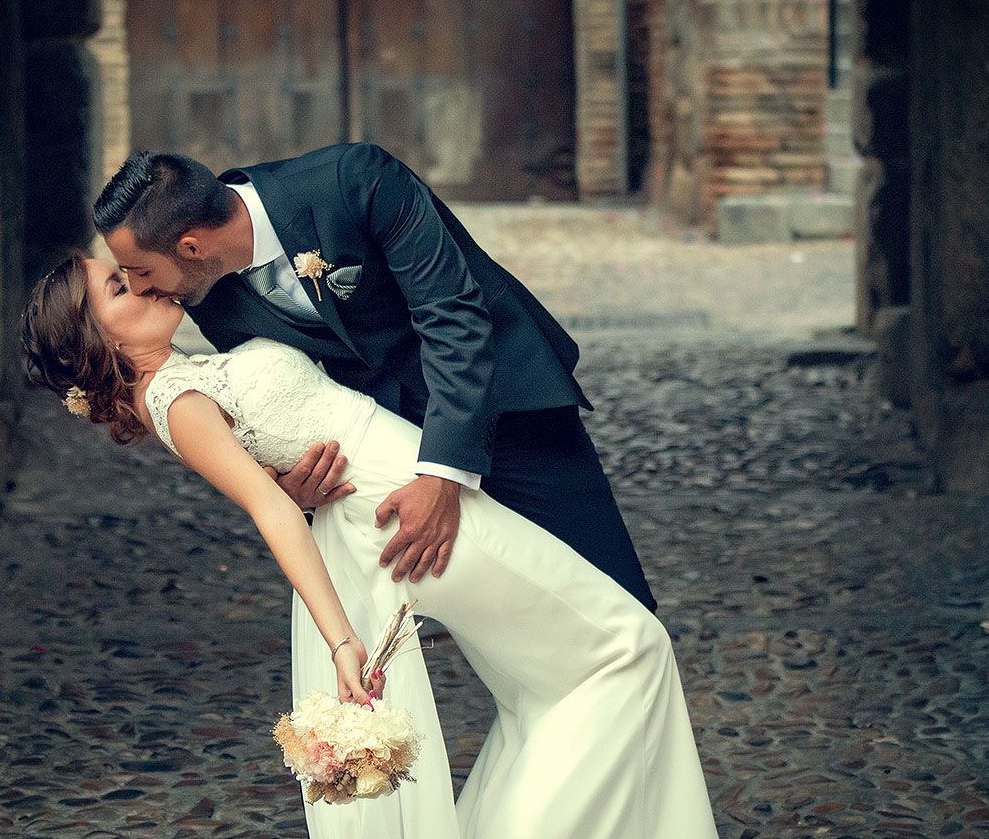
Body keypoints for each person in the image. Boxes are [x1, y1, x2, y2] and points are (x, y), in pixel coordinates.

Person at [20, 254, 720, 837]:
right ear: (100, 339)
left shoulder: (183, 375)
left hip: (400, 495)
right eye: (117, 287)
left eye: (126, 269)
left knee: (545, 690)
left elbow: (276, 476)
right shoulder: (175, 398)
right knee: (628, 648)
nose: (139, 280)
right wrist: (341, 640)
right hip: (404, 515)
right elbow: (271, 511)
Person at [92, 143, 657, 614]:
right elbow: (272, 391)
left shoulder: (354, 181)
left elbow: (454, 318)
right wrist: (293, 490)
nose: (141, 289)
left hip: (504, 408)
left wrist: (441, 475)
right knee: (527, 634)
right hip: (391, 462)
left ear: (190, 245)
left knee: (619, 605)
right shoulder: (203, 290)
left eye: (140, 271)